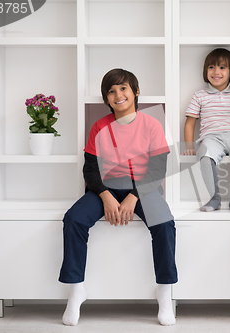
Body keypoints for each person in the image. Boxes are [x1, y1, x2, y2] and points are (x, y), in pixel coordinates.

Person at [58, 68, 177, 327]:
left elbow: (158, 169)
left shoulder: (151, 124)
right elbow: (90, 169)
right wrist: (105, 196)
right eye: (111, 91)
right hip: (105, 187)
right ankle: (77, 290)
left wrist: (134, 196)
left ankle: (165, 293)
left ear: (135, 92)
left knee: (165, 224)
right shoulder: (99, 126)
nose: (118, 95)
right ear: (106, 99)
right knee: (74, 220)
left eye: (123, 88)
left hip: (144, 187)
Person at [182, 48, 230, 212]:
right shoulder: (199, 95)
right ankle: (214, 198)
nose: (216, 72)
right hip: (211, 137)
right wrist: (189, 147)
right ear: (206, 70)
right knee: (205, 155)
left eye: (222, 67)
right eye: (211, 67)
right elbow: (190, 123)